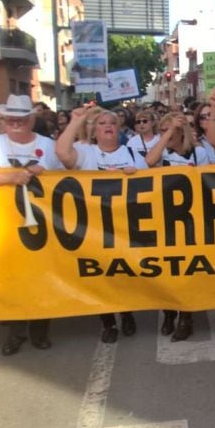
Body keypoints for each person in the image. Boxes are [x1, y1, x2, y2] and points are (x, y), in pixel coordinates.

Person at [0, 95, 62, 355]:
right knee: (14, 280)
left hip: (43, 224)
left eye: (20, 119)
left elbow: (68, 179)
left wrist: (46, 173)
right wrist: (11, 177)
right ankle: (16, 333)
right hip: (5, 224)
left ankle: (40, 331)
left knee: (41, 278)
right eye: (10, 119)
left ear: (31, 120)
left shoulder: (48, 146)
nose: (15, 123)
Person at [57, 106, 148, 342]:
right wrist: (75, 121)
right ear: (95, 130)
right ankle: (108, 322)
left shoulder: (132, 155)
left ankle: (127, 313)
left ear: (119, 129)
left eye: (113, 123)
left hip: (124, 227)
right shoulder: (86, 153)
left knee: (123, 274)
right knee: (98, 277)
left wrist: (136, 176)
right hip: (93, 228)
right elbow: (62, 153)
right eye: (102, 123)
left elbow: (151, 189)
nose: (108, 126)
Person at [145, 112, 214, 342]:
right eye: (162, 131)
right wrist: (165, 135)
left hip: (190, 220)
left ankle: (185, 318)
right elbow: (149, 161)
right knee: (167, 271)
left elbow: (207, 184)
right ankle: (168, 312)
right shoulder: (162, 153)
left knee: (186, 272)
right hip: (164, 219)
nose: (166, 135)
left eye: (170, 131)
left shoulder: (199, 153)